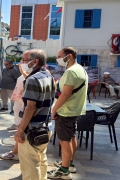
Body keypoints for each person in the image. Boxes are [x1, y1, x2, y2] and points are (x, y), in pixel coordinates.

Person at [48, 47, 88, 180]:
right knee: (71, 137)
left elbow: (65, 94)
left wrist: (54, 110)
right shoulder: (81, 69)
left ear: (69, 56)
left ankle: (64, 171)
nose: (57, 59)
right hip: (74, 110)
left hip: (65, 111)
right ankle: (69, 163)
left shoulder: (71, 72)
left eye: (59, 56)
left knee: (64, 141)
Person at [14, 49, 55, 180]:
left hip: (32, 129)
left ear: (35, 61)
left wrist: (20, 130)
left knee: (30, 166)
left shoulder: (32, 79)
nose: (22, 63)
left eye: (25, 60)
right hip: (45, 127)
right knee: (41, 161)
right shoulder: (48, 76)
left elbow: (30, 107)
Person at [0, 50, 32, 160]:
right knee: (19, 126)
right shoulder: (26, 73)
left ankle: (17, 152)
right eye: (22, 60)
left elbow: (30, 100)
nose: (21, 62)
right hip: (20, 104)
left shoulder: (33, 76)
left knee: (21, 130)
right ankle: (16, 151)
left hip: (25, 108)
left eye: (24, 60)